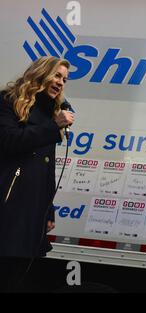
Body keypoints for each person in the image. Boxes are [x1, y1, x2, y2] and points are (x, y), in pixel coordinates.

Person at [0, 56, 74, 292]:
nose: (61, 82)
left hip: (34, 209)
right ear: (41, 73)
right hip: (9, 205)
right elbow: (8, 141)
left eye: (64, 79)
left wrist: (49, 209)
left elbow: (47, 167)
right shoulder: (8, 101)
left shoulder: (49, 113)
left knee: (20, 277)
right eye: (57, 75)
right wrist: (53, 127)